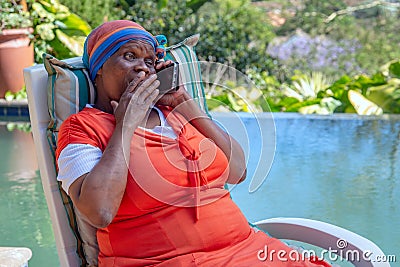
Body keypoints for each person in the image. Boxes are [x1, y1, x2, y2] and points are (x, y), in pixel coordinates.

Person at [56, 20, 331, 267]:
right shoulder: (82, 128)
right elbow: (99, 211)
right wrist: (126, 124)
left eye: (149, 61)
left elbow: (238, 172)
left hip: (249, 251)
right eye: (129, 56)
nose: (142, 67)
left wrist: (183, 102)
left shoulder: (176, 114)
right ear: (99, 69)